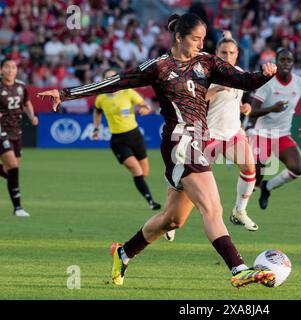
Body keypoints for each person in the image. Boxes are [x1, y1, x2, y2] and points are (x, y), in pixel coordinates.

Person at [38, 13, 278, 288]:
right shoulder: (159, 67)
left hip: (197, 142)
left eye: (202, 39)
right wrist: (66, 93)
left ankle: (123, 252)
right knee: (212, 208)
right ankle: (238, 269)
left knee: (172, 220)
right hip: (179, 143)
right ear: (179, 37)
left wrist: (264, 75)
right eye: (195, 39)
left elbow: (245, 81)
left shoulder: (207, 62)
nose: (200, 44)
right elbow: (114, 82)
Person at [166, 31, 258, 241]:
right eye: (223, 52)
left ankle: (239, 211)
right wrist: (216, 88)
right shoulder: (205, 73)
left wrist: (244, 107)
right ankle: (170, 219)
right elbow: (195, 99)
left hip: (233, 132)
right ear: (216, 53)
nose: (227, 56)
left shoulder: (239, 72)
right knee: (190, 182)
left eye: (231, 52)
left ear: (236, 54)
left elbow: (237, 100)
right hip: (207, 134)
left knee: (250, 167)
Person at [248, 48, 301, 210]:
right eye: (282, 60)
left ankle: (268, 187)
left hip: (282, 135)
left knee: (297, 169)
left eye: (288, 60)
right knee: (254, 179)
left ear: (293, 64)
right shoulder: (267, 82)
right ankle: (240, 210)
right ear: (277, 62)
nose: (285, 63)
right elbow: (252, 111)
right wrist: (271, 109)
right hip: (262, 135)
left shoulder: (300, 83)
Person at [93, 68, 161, 210]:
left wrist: (145, 109)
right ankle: (151, 202)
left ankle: (143, 189)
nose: (110, 80)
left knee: (144, 172)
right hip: (118, 140)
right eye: (107, 78)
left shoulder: (127, 92)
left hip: (135, 136)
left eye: (113, 77)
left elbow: (145, 105)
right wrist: (96, 129)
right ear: (103, 80)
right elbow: (97, 112)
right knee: (137, 170)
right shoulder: (101, 98)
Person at [0, 59, 39, 217]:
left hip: (16, 131)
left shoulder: (21, 87)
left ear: (16, 70)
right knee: (14, 168)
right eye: (7, 67)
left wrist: (32, 116)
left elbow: (27, 103)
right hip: (1, 131)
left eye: (13, 67)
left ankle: (17, 207)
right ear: (1, 70)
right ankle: (18, 208)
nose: (10, 70)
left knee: (11, 171)